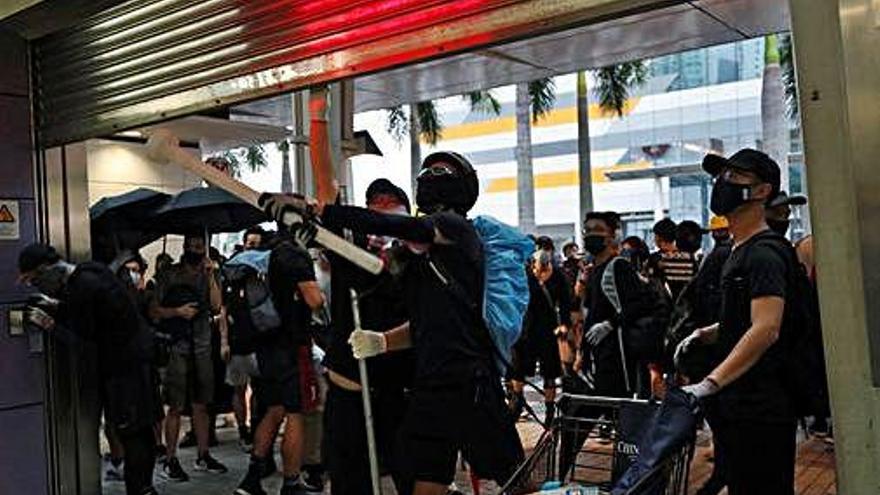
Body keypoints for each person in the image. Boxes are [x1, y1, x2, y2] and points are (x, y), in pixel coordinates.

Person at [263, 151, 524, 495]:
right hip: (430, 387)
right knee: (426, 480)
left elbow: (393, 225)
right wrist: (320, 237)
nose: (430, 176)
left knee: (517, 479)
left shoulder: (456, 230)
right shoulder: (414, 255)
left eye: (441, 171)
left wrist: (320, 210)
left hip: (470, 382)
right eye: (426, 171)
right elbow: (379, 281)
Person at [678, 148, 798, 495]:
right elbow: (749, 318)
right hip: (743, 402)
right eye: (720, 176)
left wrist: (710, 383)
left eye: (734, 177)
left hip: (763, 405)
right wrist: (710, 332)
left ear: (762, 191)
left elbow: (766, 327)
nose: (722, 184)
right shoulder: (739, 250)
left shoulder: (763, 252)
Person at [19, 244, 158, 495]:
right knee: (141, 433)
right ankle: (145, 488)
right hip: (138, 364)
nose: (36, 285)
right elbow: (90, 315)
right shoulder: (91, 272)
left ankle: (140, 490)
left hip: (122, 372)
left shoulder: (83, 287)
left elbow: (85, 344)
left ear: (45, 270)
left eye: (34, 279)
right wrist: (53, 305)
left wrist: (49, 325)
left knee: (133, 436)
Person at [235, 230, 326, 495]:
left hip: (265, 345)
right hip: (292, 347)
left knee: (274, 409)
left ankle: (251, 479)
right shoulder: (294, 255)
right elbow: (314, 300)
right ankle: (291, 483)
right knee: (296, 413)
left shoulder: (265, 252)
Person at [148, 234, 227, 481]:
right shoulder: (169, 274)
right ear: (184, 247)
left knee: (202, 404)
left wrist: (212, 275)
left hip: (202, 345)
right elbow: (154, 311)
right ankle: (170, 459)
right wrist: (177, 312)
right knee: (175, 406)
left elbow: (216, 306)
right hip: (177, 346)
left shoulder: (209, 273)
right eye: (192, 246)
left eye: (200, 246)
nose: (195, 250)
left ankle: (203, 454)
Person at [509, 249, 575, 425]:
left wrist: (564, 324)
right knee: (517, 367)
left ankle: (550, 409)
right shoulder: (525, 275)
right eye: (536, 267)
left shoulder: (558, 276)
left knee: (550, 371)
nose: (538, 271)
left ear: (548, 265)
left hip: (548, 329)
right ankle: (516, 401)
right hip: (525, 328)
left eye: (542, 268)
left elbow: (565, 302)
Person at [224, 226, 266, 450]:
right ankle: (243, 430)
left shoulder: (265, 274)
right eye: (251, 245)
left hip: (260, 341)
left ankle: (258, 425)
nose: (253, 250)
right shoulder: (232, 272)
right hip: (238, 341)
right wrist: (224, 341)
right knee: (238, 388)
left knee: (260, 388)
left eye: (258, 246)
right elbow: (223, 309)